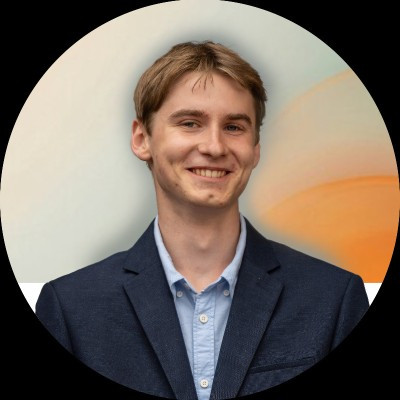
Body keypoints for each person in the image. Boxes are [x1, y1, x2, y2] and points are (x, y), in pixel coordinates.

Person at [36, 41, 369, 399]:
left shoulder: (334, 300)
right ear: (142, 139)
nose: (214, 146)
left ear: (255, 149)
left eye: (234, 127)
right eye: (190, 123)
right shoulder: (71, 309)